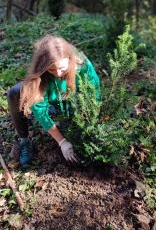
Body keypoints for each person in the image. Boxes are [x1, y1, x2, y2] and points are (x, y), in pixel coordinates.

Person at [7, 35, 100, 168]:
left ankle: (63, 117)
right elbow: (40, 110)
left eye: (62, 68)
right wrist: (62, 142)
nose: (57, 73)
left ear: (69, 58)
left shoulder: (83, 67)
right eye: (51, 69)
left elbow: (94, 97)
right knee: (14, 93)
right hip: (54, 101)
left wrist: (89, 125)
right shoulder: (40, 74)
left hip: (72, 103)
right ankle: (24, 141)